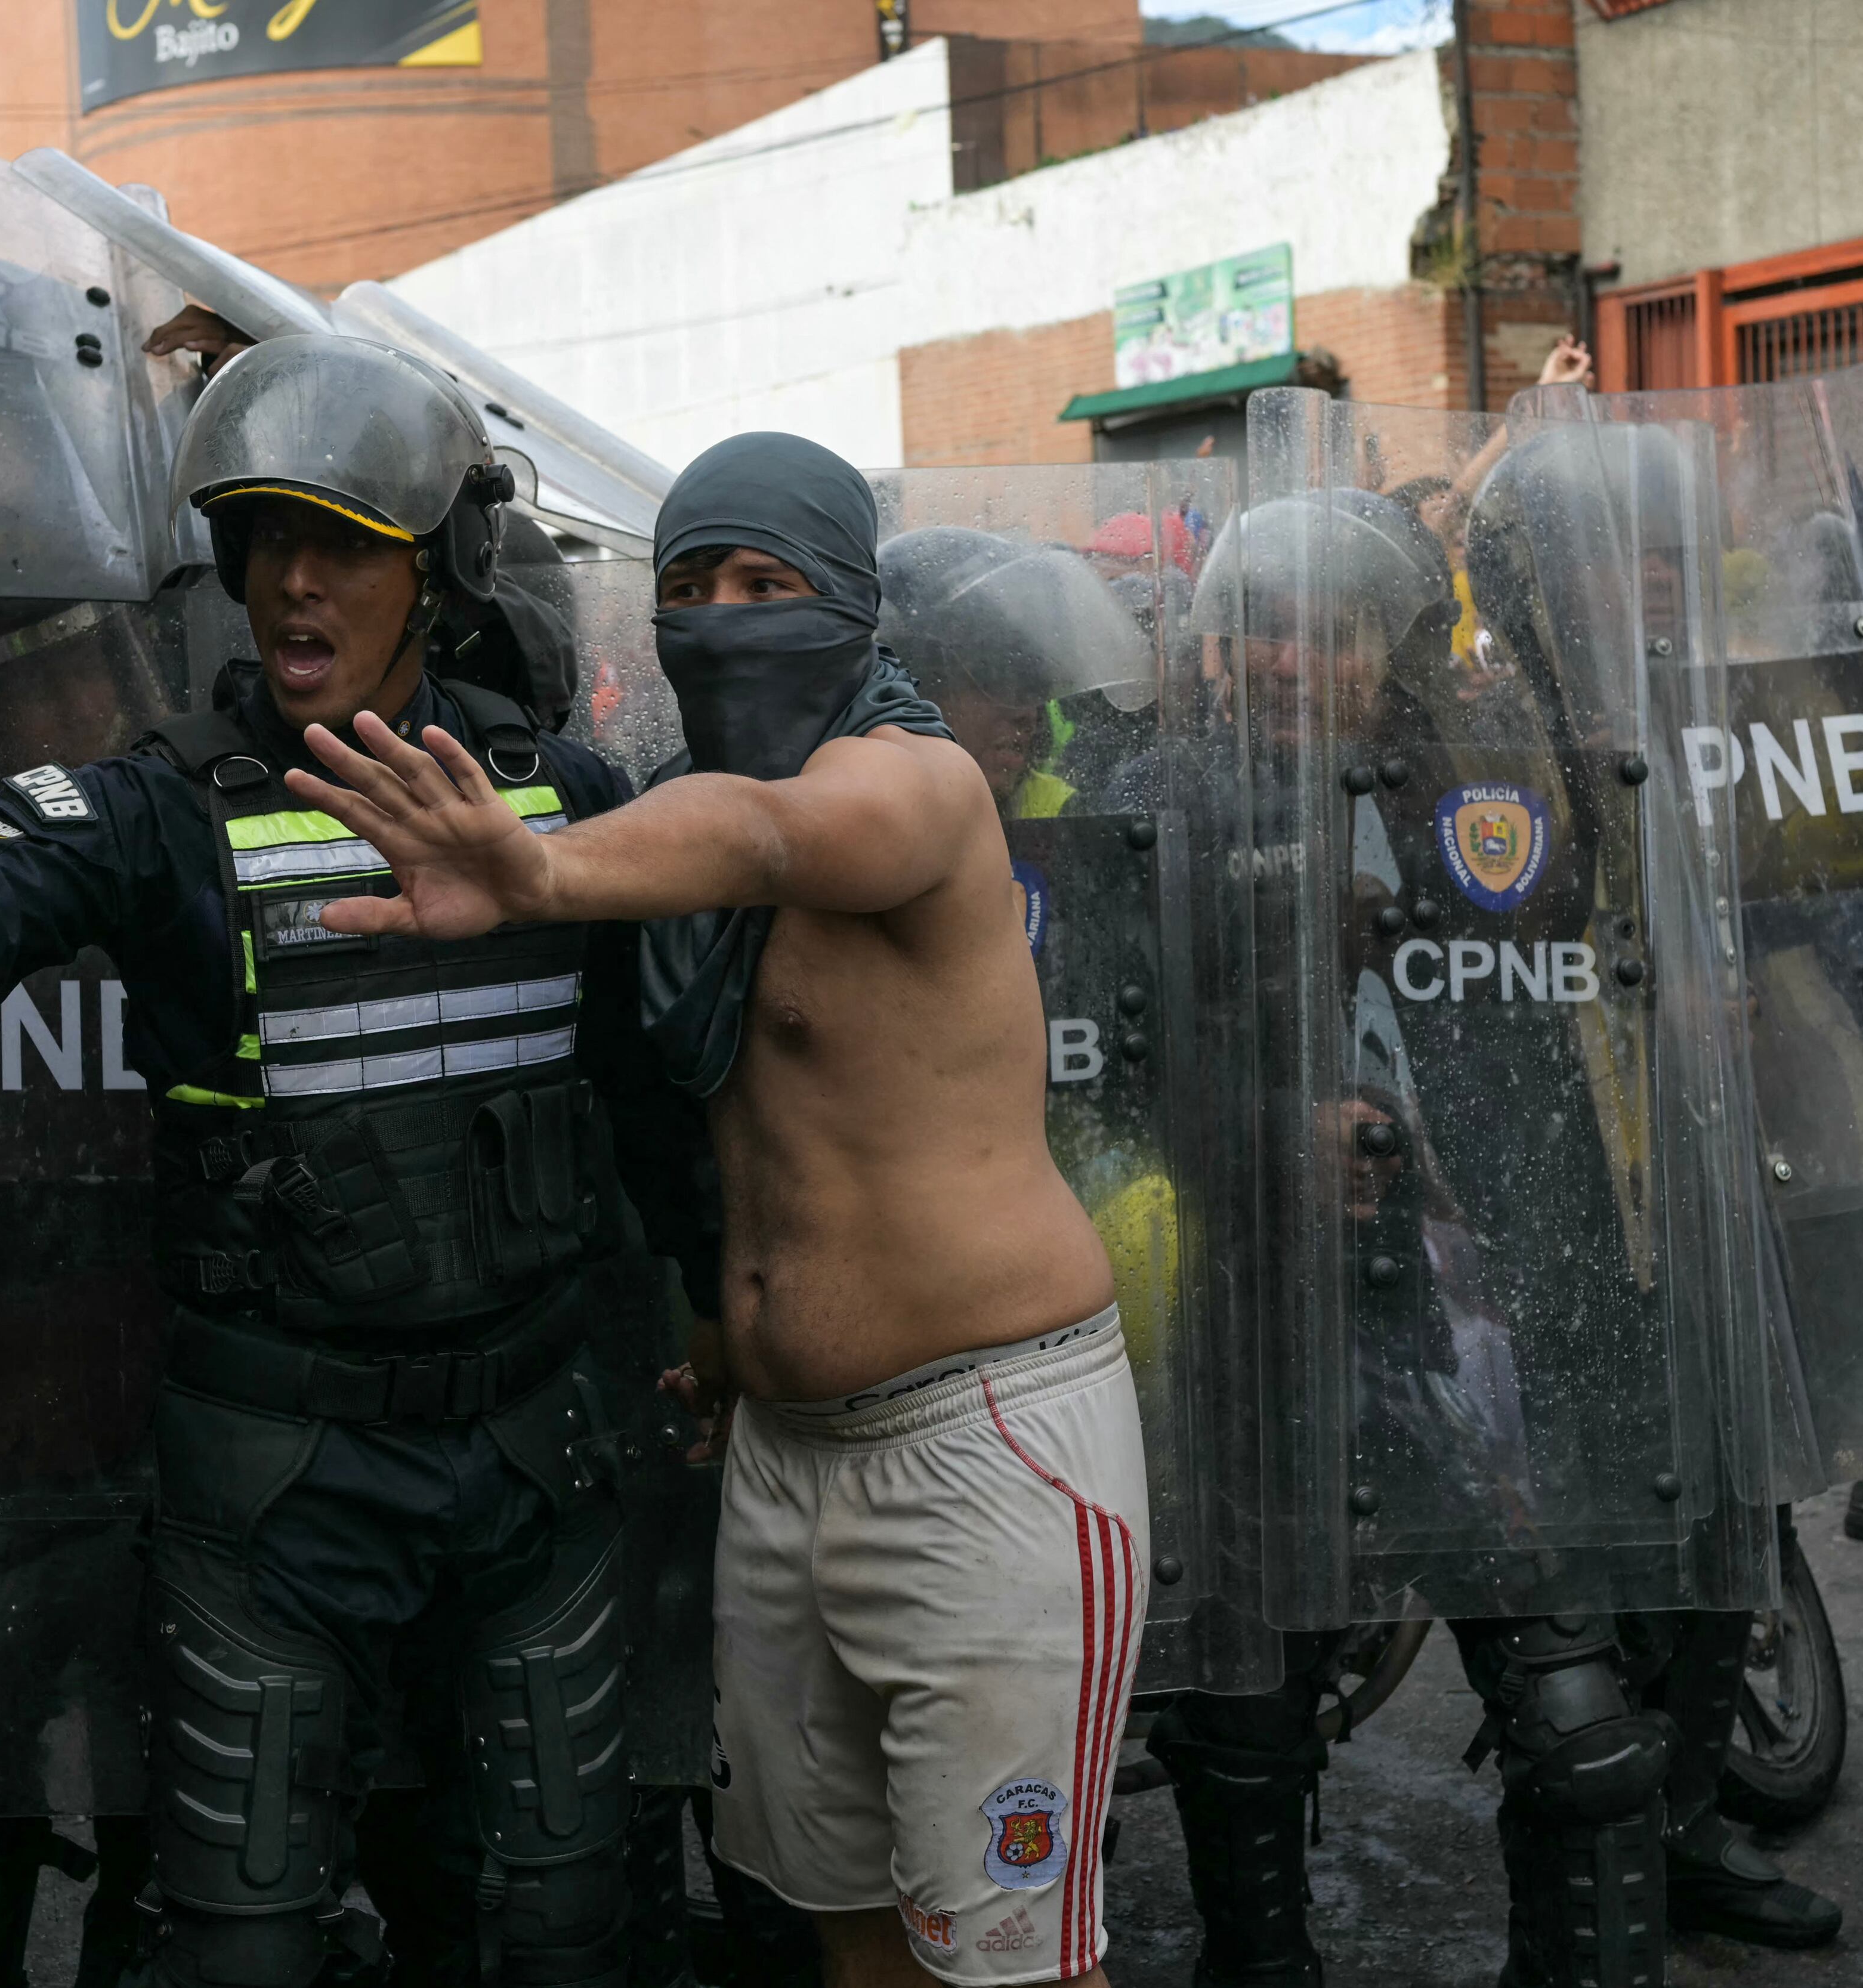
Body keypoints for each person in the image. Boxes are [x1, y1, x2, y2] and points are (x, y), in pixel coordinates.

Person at [0, 333, 709, 1988]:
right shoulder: (160, 810)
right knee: (242, 1938)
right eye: (265, 538)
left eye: (341, 541)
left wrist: (720, 1306)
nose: (291, 581)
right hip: (273, 1474)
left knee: (555, 1920)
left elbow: (650, 1101)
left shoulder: (559, 799)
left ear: (438, 572)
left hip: (534, 1457)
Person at [277, 430, 1149, 1988]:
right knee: (850, 1929)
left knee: (1013, 1961)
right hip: (785, 1456)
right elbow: (709, 1104)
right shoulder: (681, 813)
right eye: (688, 583)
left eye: (768, 581)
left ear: (854, 606)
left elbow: (773, 834)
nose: (722, 613)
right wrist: (722, 1317)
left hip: (984, 1448)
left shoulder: (917, 785)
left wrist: (536, 875)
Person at [1145, 470, 1839, 1988]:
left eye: (1337, 632)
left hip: (1468, 1317)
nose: (1298, 661)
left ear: (1383, 648)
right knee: (1244, 1724)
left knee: (1582, 1729)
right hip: (1264, 1324)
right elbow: (1103, 1072)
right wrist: (1266, 1130)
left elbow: (1556, 979)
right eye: (1269, 627)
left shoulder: (1474, 779)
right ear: (1217, 639)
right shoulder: (1167, 807)